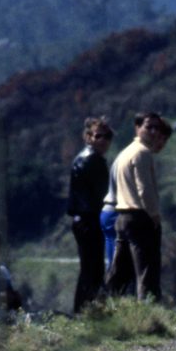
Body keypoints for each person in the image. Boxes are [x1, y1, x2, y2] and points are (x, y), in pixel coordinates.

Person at [106, 112, 168, 302]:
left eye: (157, 128)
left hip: (122, 217)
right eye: (149, 127)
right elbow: (144, 189)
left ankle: (104, 305)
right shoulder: (142, 152)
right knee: (147, 271)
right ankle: (149, 309)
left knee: (120, 271)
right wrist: (154, 215)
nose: (154, 131)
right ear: (137, 128)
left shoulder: (126, 152)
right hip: (140, 216)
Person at [67, 116, 113, 314]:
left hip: (85, 219)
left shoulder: (86, 158)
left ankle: (85, 311)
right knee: (92, 270)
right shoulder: (92, 160)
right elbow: (101, 195)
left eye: (107, 136)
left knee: (90, 269)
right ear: (88, 137)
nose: (103, 140)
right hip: (89, 220)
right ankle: (85, 312)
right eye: (98, 136)